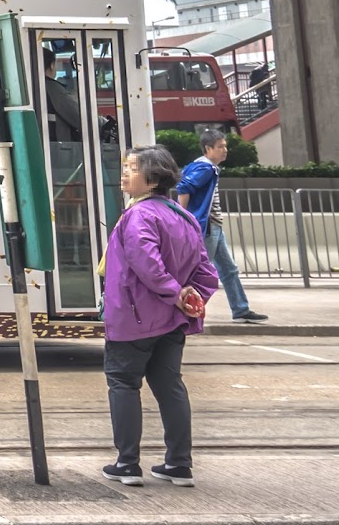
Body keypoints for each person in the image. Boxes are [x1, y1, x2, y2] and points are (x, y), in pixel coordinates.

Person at [100, 145, 218, 487]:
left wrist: (174, 292)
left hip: (134, 318)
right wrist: (188, 298)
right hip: (172, 320)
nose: (124, 173)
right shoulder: (183, 216)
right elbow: (206, 272)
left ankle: (127, 463)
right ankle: (179, 464)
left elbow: (147, 264)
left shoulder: (139, 215)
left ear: (152, 178)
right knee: (170, 386)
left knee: (123, 383)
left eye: (132, 168)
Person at [175, 128, 267, 323]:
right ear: (208, 149)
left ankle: (240, 310)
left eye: (225, 146)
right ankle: (185, 311)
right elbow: (183, 187)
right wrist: (183, 217)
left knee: (228, 269)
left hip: (213, 226)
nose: (225, 150)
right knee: (201, 271)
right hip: (207, 227)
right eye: (220, 147)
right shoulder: (206, 168)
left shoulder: (200, 166)